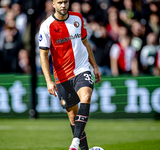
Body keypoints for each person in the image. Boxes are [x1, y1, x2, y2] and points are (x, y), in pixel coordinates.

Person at [38, 0, 101, 150]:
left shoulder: (77, 18)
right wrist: (48, 80)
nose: (63, 5)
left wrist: (95, 66)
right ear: (53, 4)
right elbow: (43, 54)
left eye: (66, 2)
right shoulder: (46, 26)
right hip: (62, 77)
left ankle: (74, 142)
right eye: (60, 2)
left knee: (86, 97)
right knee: (73, 118)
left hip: (81, 69)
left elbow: (85, 43)